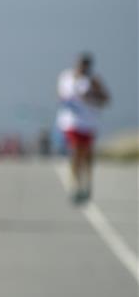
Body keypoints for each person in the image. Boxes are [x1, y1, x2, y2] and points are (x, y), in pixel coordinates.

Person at [55, 52, 109, 203]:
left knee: (87, 156)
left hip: (89, 123)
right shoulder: (66, 77)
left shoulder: (93, 80)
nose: (83, 68)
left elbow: (106, 100)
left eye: (86, 65)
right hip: (72, 122)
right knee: (76, 151)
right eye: (81, 64)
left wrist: (94, 91)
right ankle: (75, 185)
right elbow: (61, 96)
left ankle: (86, 185)